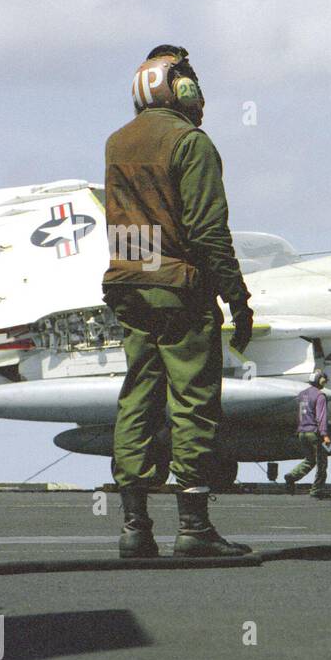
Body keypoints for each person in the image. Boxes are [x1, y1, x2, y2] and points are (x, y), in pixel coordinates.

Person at [104, 44, 253, 559]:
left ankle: (134, 527)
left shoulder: (118, 144)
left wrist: (145, 273)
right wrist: (237, 297)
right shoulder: (191, 143)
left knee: (138, 398)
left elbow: (133, 226)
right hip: (180, 292)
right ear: (180, 88)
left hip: (129, 286)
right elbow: (209, 230)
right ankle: (193, 528)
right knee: (192, 402)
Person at [283, 371, 331, 500]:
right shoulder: (320, 396)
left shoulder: (302, 395)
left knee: (310, 460)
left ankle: (292, 476)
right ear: (320, 380)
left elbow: (301, 415)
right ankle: (317, 490)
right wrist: (325, 435)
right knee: (322, 463)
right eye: (324, 379)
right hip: (314, 434)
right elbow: (321, 417)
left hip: (302, 433)